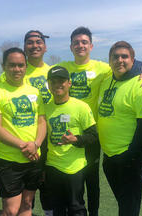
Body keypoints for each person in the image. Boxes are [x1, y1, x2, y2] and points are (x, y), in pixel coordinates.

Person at [57, 26, 142, 216]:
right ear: (70, 47)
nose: (119, 60)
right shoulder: (104, 77)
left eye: (84, 42)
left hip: (119, 150)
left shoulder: (112, 73)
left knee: (118, 196)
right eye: (76, 42)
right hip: (98, 148)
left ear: (91, 46)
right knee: (118, 197)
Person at [0, 47, 47, 216]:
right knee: (11, 210)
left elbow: (42, 122)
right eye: (12, 65)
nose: (17, 69)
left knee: (27, 205)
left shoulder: (35, 92)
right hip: (9, 161)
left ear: (26, 67)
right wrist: (24, 146)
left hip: (34, 158)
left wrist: (36, 144)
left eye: (21, 65)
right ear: (4, 66)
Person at [97, 41, 142, 216]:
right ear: (109, 60)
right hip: (109, 156)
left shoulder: (141, 84)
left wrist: (129, 155)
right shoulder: (106, 81)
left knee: (129, 206)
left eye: (124, 56)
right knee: (123, 202)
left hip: (129, 158)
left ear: (133, 59)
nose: (119, 60)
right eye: (115, 57)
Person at [44, 66, 98, 216]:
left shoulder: (81, 107)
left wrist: (76, 139)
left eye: (61, 81)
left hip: (75, 167)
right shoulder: (45, 108)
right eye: (53, 81)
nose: (57, 85)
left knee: (76, 207)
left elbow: (94, 135)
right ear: (48, 84)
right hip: (53, 166)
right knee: (57, 208)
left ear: (69, 83)